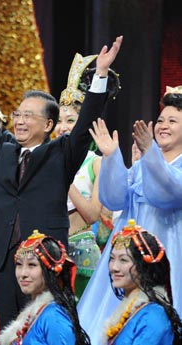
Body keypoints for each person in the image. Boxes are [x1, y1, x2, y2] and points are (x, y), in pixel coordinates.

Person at [0, 28, 123, 327]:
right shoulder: (1, 148)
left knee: (42, 328)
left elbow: (83, 126)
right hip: (3, 261)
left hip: (44, 258)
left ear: (49, 124)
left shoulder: (61, 154)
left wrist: (101, 75)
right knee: (7, 329)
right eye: (18, 114)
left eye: (29, 115)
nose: (20, 120)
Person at [78, 86, 182, 344]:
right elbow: (114, 199)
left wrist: (151, 154)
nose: (163, 126)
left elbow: (167, 193)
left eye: (173, 121)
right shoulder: (144, 163)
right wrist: (112, 157)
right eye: (160, 120)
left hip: (167, 251)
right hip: (126, 255)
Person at [56, 52, 120, 299]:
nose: (63, 127)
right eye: (59, 120)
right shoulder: (46, 159)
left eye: (70, 120)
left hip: (82, 253)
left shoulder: (96, 163)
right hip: (52, 248)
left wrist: (65, 180)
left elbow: (93, 214)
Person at [0, 229, 90, 344]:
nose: (23, 274)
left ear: (52, 270)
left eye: (32, 265)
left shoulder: (54, 316)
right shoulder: (33, 314)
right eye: (19, 265)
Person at [102, 219, 182, 344]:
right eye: (112, 259)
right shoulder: (132, 309)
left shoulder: (153, 315)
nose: (114, 267)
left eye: (123, 260)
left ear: (143, 266)